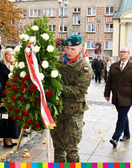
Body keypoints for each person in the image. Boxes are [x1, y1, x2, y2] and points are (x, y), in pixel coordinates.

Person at [50, 34, 93, 162]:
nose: (69, 51)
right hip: (58, 110)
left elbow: (79, 91)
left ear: (80, 48)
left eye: (73, 49)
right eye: (67, 48)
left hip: (73, 112)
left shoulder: (84, 67)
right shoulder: (58, 62)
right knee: (57, 146)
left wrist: (58, 87)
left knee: (71, 148)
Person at [104, 47, 132, 148]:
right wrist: (107, 94)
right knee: (123, 116)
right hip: (116, 96)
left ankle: (115, 138)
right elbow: (109, 81)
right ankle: (127, 134)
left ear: (129, 54)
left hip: (127, 97)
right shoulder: (114, 66)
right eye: (120, 51)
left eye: (124, 52)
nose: (122, 53)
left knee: (121, 116)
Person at [0, 48, 20, 147]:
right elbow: (0, 83)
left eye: (12, 54)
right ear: (5, 55)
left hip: (13, 97)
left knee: (12, 119)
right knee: (5, 119)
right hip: (5, 96)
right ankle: (6, 139)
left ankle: (11, 138)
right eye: (8, 54)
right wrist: (1, 99)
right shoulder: (1, 66)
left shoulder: (14, 65)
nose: (11, 56)